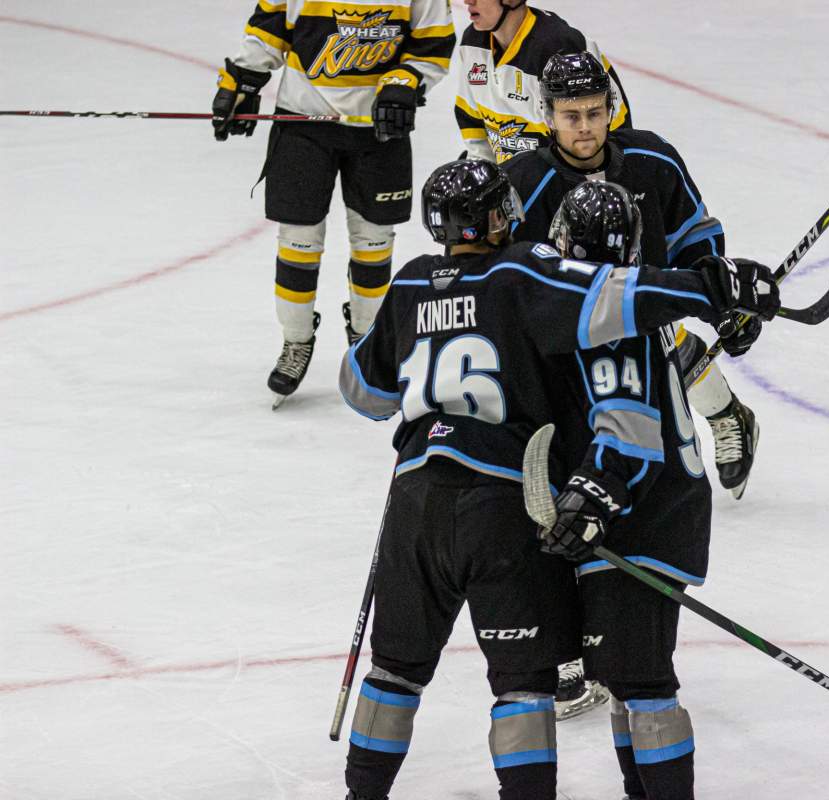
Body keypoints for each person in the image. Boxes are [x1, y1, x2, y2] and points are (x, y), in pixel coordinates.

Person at [336, 159, 779, 800]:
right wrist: (712, 286)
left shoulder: (406, 285)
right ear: (495, 216)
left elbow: (362, 392)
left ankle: (361, 795)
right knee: (524, 685)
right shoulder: (519, 270)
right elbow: (616, 293)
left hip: (413, 501)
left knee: (395, 669)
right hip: (500, 500)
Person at [504, 52, 764, 501]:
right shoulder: (522, 182)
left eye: (594, 112)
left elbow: (694, 236)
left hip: (647, 313)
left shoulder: (652, 158)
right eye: (570, 115)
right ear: (547, 116)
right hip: (565, 327)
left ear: (610, 108)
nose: (584, 126)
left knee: (657, 386)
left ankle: (724, 417)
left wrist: (724, 301)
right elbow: (502, 272)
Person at [539, 180, 724, 800]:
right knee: (623, 678)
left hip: (649, 513)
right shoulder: (631, 298)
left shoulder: (613, 320)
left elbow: (631, 436)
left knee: (644, 683)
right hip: (642, 509)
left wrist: (590, 497)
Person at [212, 0, 455, 405]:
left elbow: (434, 43)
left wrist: (405, 82)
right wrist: (241, 83)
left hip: (378, 130)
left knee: (374, 242)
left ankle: (368, 338)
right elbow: (268, 29)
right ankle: (296, 341)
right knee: (298, 240)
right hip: (304, 123)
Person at [454, 0, 631, 163]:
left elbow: (605, 136)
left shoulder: (559, 48)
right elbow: (470, 119)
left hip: (559, 185)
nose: (468, 1)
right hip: (515, 180)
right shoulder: (472, 42)